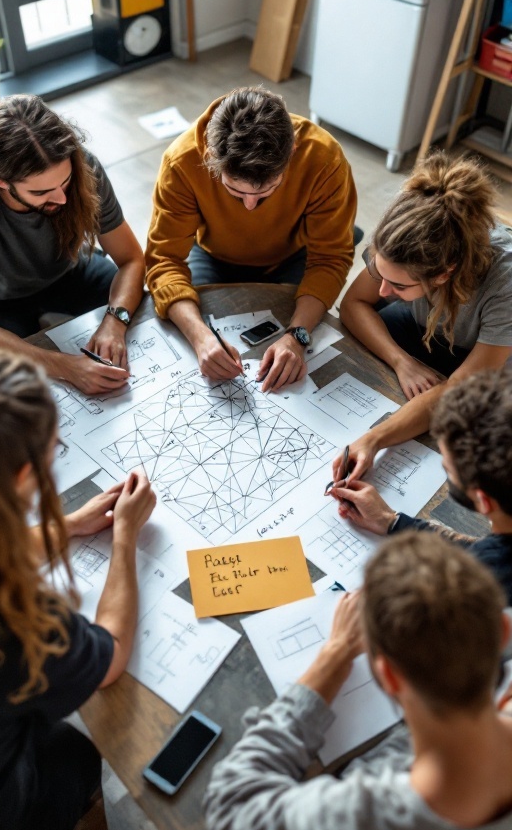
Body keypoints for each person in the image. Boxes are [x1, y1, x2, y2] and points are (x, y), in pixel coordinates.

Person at [0, 352, 156, 830]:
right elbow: (111, 652)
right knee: (78, 748)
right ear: (19, 478)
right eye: (52, 449)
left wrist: (70, 526)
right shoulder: (7, 623)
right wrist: (125, 537)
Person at [204, 532, 512, 830]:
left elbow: (233, 805)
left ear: (389, 676)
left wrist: (334, 654)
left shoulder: (366, 822)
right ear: (503, 631)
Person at [145, 87, 357, 391]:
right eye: (236, 191)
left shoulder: (325, 159)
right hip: (211, 255)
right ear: (209, 157)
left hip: (293, 254)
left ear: (293, 150)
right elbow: (163, 260)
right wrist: (201, 338)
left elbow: (331, 258)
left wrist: (297, 337)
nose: (249, 206)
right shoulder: (181, 162)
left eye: (266, 190)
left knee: (305, 328)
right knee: (187, 322)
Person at [0, 94, 146, 396]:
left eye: (65, 183)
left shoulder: (81, 165)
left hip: (70, 270)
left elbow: (131, 260)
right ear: (0, 181)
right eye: (43, 192)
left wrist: (115, 322)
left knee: (143, 312)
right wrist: (66, 366)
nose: (62, 199)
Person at [333, 153, 512, 481]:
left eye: (398, 284)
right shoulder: (402, 232)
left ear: (444, 275)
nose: (383, 290)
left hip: (494, 360)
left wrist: (373, 439)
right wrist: (402, 362)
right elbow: (353, 303)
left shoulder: (505, 284)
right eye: (379, 273)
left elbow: (456, 391)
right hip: (430, 329)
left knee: (475, 443)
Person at [332, 369, 512, 604]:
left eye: (446, 468)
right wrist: (392, 521)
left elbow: (484, 556)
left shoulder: (483, 582)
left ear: (484, 501)